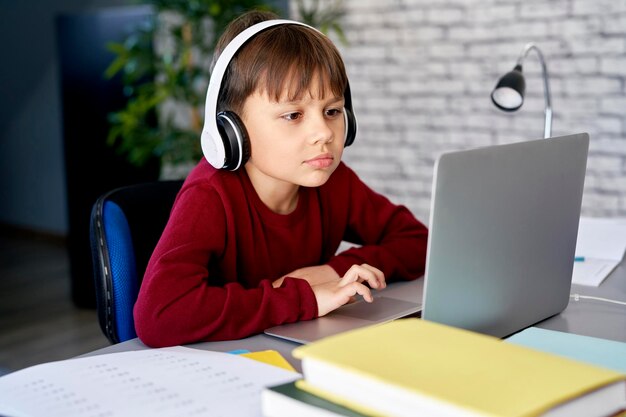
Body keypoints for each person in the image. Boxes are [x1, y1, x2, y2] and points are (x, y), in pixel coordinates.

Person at [133, 9, 428, 347]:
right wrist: (304, 298)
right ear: (232, 130)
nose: (323, 133)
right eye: (293, 115)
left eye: (332, 111)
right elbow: (159, 315)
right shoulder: (210, 197)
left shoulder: (335, 182)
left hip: (300, 347)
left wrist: (332, 271)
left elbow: (417, 240)